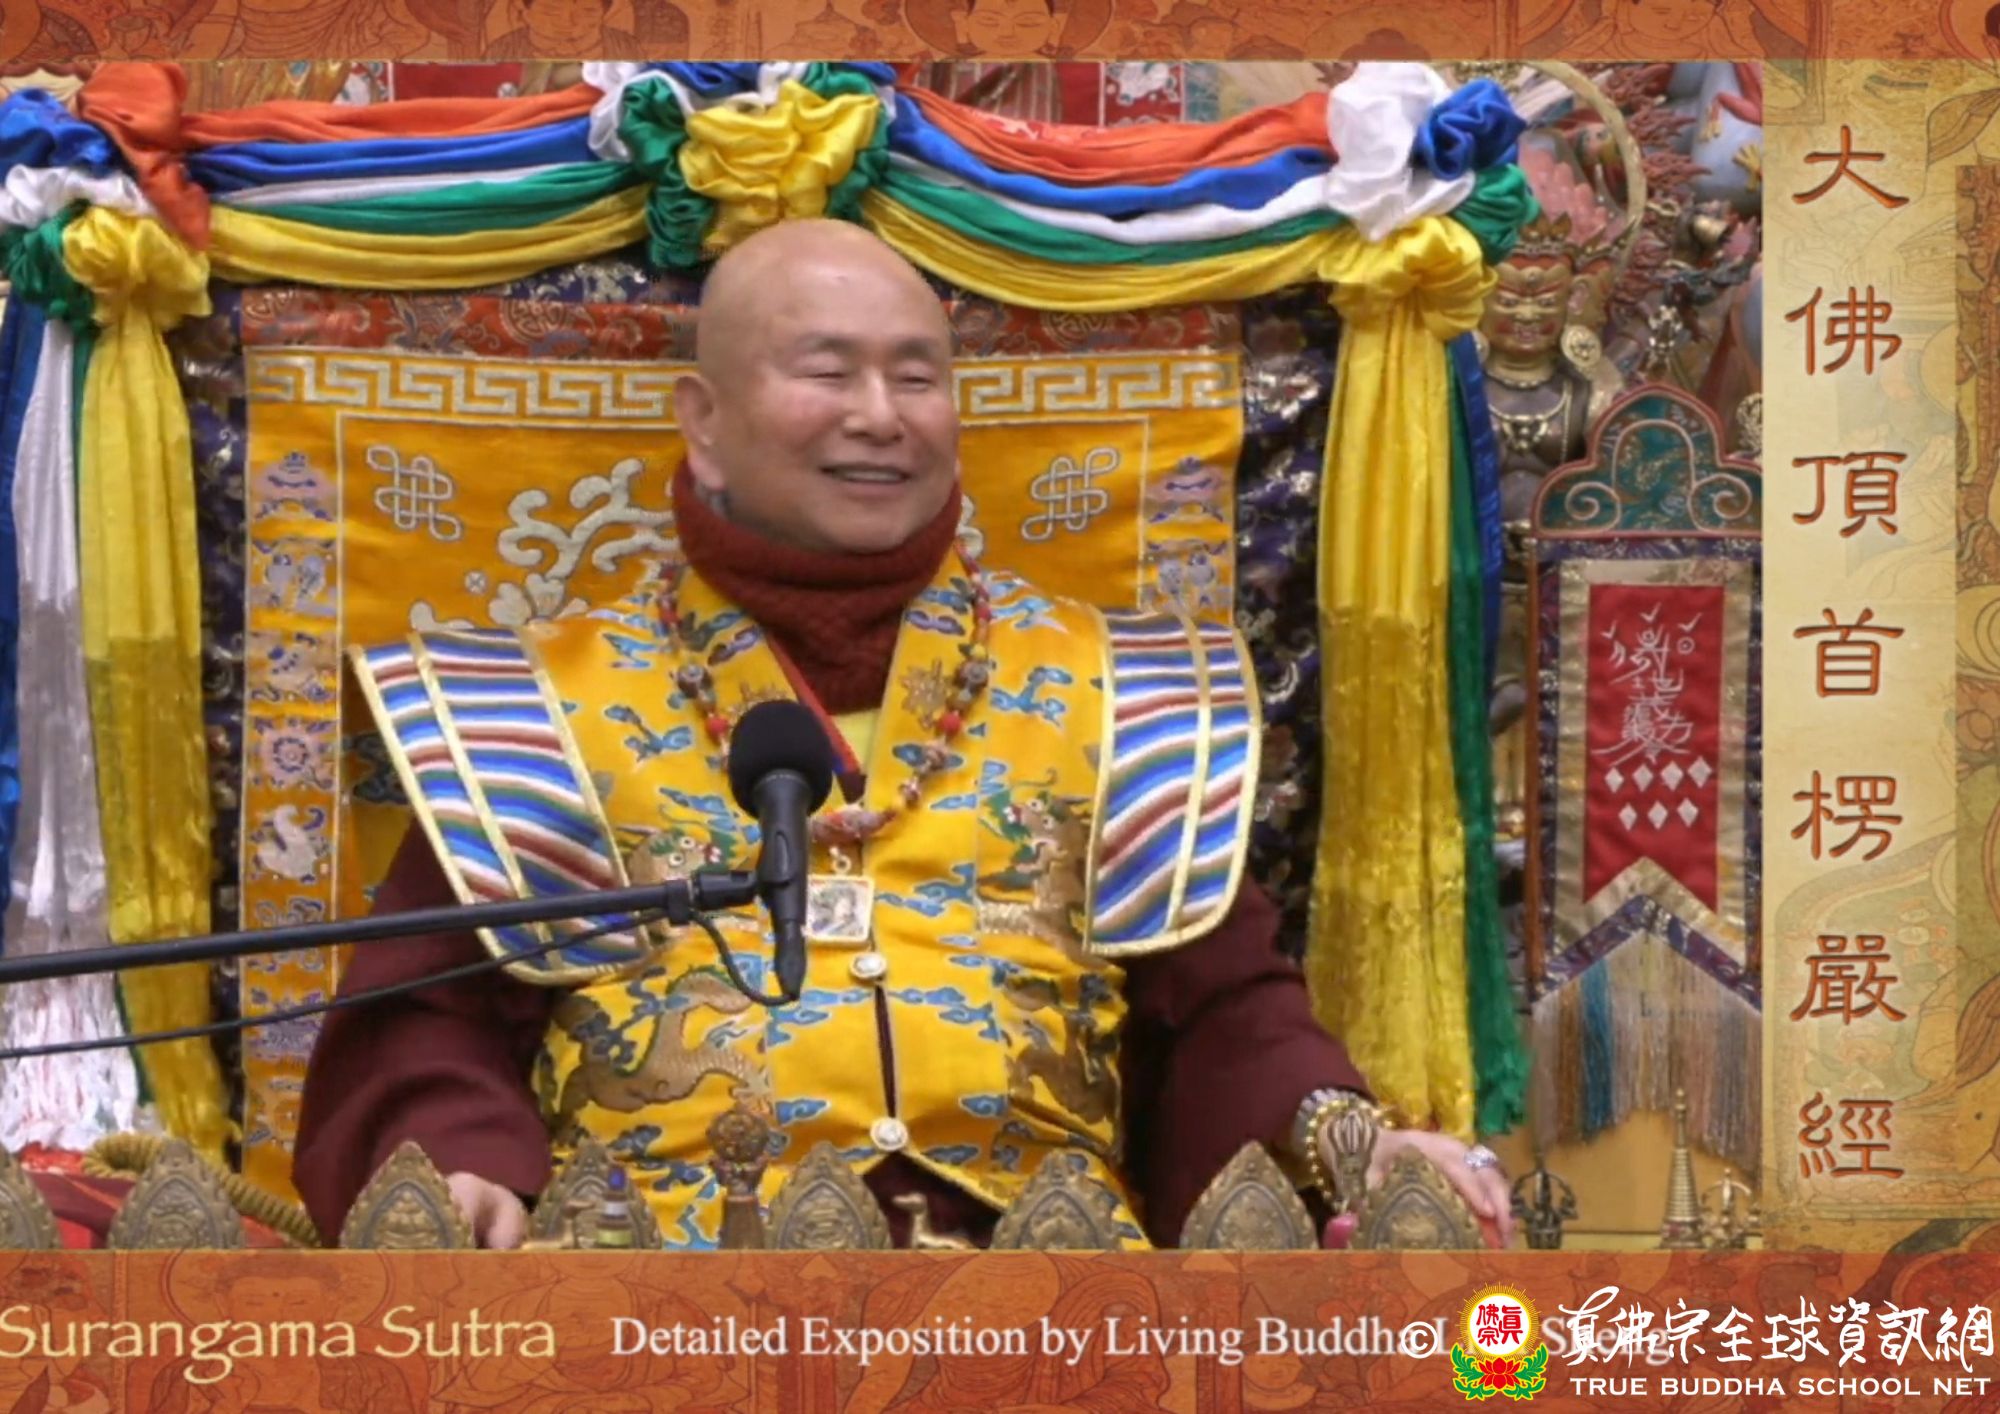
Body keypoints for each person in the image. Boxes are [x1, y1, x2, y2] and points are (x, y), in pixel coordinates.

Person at [294, 219, 1514, 1251]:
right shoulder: (536, 702)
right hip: (656, 1300)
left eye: (916, 377)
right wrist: (458, 1166)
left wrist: (1346, 1136)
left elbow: (1222, 1009)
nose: (878, 416)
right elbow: (427, 1021)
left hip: (1046, 1297)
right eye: (826, 373)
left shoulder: (1116, 686)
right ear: (702, 420)